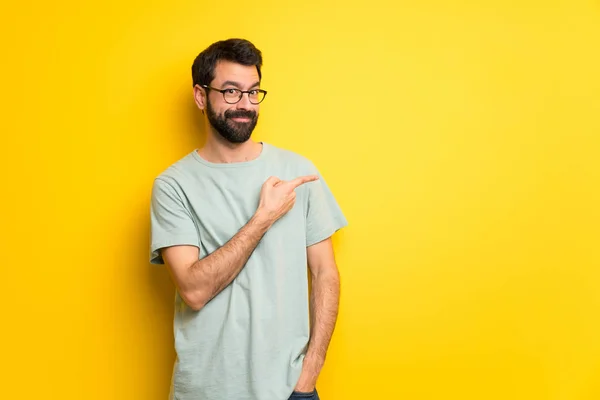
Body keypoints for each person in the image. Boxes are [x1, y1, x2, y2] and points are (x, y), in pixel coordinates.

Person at [149, 38, 348, 400]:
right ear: (200, 96)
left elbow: (325, 274)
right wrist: (264, 217)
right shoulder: (173, 186)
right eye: (230, 92)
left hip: (290, 391)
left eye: (253, 92)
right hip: (205, 391)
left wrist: (307, 377)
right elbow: (193, 290)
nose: (245, 104)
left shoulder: (297, 172)